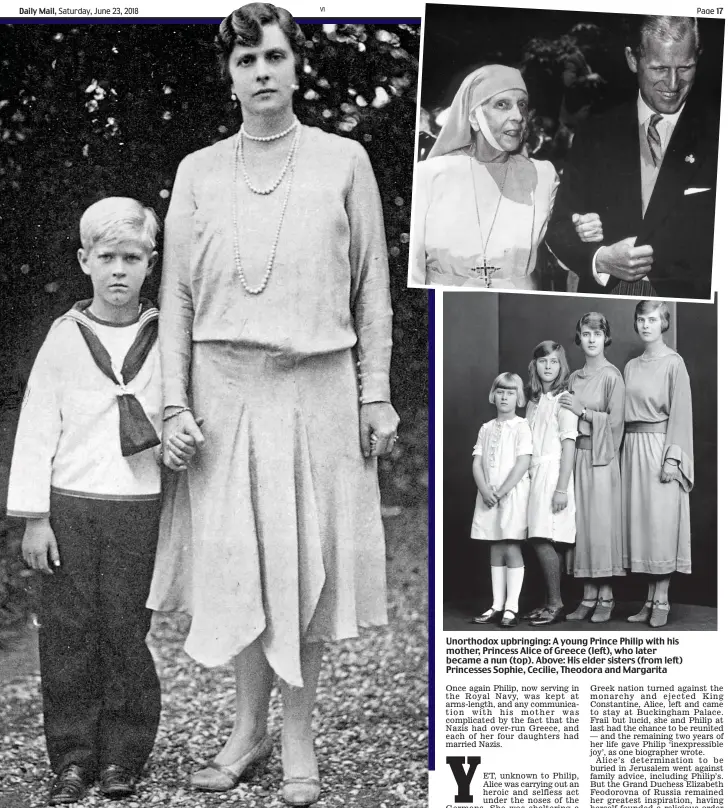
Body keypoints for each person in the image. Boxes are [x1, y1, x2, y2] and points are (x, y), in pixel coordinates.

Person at [145, 4, 399, 806]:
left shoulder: (344, 159)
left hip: (318, 386)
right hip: (223, 393)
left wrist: (376, 392)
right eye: (247, 58)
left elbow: (373, 290)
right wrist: (173, 404)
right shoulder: (197, 171)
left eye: (275, 56)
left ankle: (296, 738)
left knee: (305, 569)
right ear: (229, 73)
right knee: (243, 567)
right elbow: (176, 297)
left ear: (297, 67)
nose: (262, 71)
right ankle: (246, 730)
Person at [6, 198, 167, 805]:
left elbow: (183, 411)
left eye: (132, 257)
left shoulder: (165, 337)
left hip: (139, 507)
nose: (119, 270)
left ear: (150, 263)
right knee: (68, 633)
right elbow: (37, 427)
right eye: (107, 258)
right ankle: (72, 757)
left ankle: (124, 756)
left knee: (127, 631)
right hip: (71, 506)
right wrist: (34, 518)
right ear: (84, 261)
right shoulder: (65, 338)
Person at [546, 15, 717, 300]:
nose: (673, 83)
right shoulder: (595, 133)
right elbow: (559, 225)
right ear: (632, 59)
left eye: (685, 67)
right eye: (659, 68)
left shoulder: (717, 133)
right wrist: (600, 259)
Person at [409, 64, 559, 289]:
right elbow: (412, 271)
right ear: (474, 117)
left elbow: (558, 248)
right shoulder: (430, 176)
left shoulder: (542, 176)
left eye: (522, 105)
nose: (517, 116)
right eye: (502, 105)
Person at [622, 301, 693, 627]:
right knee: (644, 525)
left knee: (661, 525)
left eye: (652, 319)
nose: (645, 325)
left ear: (664, 322)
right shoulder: (632, 366)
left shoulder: (674, 363)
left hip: (659, 447)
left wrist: (672, 459)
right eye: (641, 319)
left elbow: (680, 415)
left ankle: (662, 600)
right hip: (632, 450)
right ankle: (649, 600)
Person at [559, 313, 625, 622]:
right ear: (579, 337)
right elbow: (566, 421)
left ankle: (606, 597)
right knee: (580, 526)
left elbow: (615, 425)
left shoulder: (612, 376)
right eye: (586, 333)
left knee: (600, 526)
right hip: (578, 460)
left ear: (605, 338)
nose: (591, 339)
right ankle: (587, 596)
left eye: (597, 334)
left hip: (602, 459)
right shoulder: (573, 378)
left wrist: (583, 411)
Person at [470, 373, 532, 628]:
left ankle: (512, 606)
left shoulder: (522, 426)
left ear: (519, 398)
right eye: (501, 392)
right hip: (488, 495)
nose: (505, 397)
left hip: (512, 494)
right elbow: (476, 462)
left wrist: (502, 491)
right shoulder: (486, 428)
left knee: (511, 545)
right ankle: (496, 604)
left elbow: (523, 463)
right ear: (493, 395)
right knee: (494, 545)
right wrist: (485, 490)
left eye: (510, 392)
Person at [524, 341, 577, 627]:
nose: (548, 366)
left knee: (544, 538)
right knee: (538, 537)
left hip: (554, 473)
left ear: (561, 366)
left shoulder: (564, 400)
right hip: (533, 473)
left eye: (554, 362)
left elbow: (569, 446)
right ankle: (547, 601)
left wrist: (561, 488)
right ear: (535, 366)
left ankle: (556, 603)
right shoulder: (533, 402)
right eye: (543, 361)